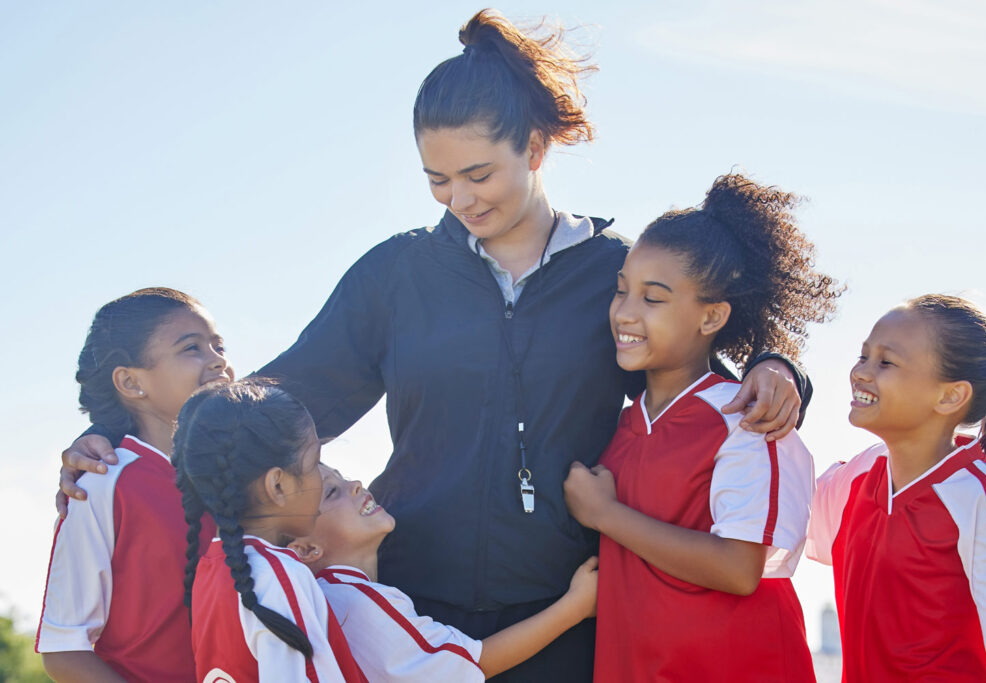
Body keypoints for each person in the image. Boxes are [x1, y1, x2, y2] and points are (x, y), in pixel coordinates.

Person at [56, 10, 810, 680]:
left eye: (479, 173)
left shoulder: (613, 273)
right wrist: (118, 433)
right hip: (412, 610)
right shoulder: (397, 274)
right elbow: (283, 395)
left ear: (537, 148)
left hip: (571, 609)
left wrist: (781, 369)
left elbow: (697, 372)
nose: (462, 199)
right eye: (438, 180)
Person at [564, 174, 842, 681]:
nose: (625, 312)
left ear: (711, 316)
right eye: (621, 291)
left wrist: (605, 513)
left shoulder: (746, 418)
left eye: (653, 298)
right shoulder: (621, 421)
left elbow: (738, 570)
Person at [805, 294, 986, 682]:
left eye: (886, 362)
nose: (861, 372)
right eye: (863, 356)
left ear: (950, 396)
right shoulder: (858, 475)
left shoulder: (974, 496)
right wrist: (777, 370)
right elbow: (771, 518)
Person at [36, 288, 233, 682]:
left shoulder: (245, 474)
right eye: (192, 348)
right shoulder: (104, 483)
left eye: (219, 345)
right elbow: (64, 650)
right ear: (130, 382)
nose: (219, 362)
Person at [287, 464, 598, 681]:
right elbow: (475, 663)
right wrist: (576, 606)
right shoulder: (356, 602)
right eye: (331, 492)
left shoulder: (327, 598)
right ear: (306, 550)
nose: (354, 483)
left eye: (342, 478)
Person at [175, 379, 367, 682]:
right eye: (315, 462)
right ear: (278, 486)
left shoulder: (212, 569)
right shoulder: (280, 576)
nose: (322, 475)